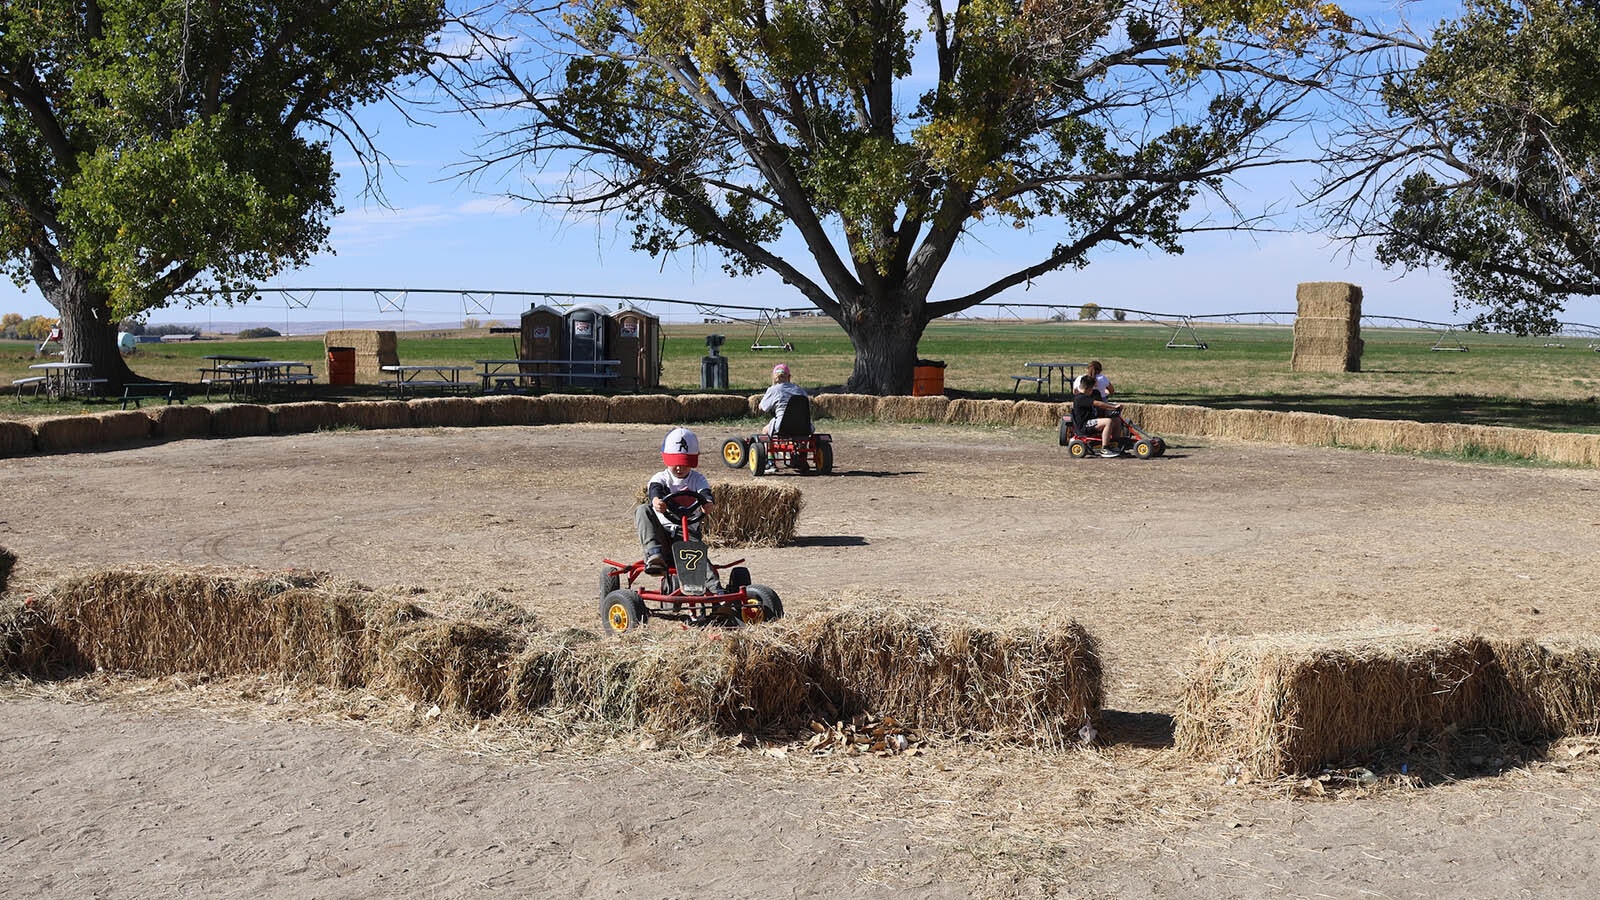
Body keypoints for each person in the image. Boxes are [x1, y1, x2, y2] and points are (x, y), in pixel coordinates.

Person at [635, 427, 716, 575]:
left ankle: (718, 591)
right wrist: (656, 501)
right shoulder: (661, 478)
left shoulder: (698, 479)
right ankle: (654, 555)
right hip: (662, 534)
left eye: (684, 463)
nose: (679, 467)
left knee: (699, 564)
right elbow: (655, 489)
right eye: (675, 462)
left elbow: (705, 493)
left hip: (687, 532)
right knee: (642, 510)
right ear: (665, 459)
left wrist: (707, 503)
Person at [1070, 373, 1123, 457]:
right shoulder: (1080, 398)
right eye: (1092, 388)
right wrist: (1113, 407)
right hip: (1084, 425)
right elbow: (1098, 404)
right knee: (1108, 422)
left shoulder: (1089, 395)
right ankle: (1105, 448)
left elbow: (1101, 403)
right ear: (1088, 389)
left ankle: (1115, 444)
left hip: (1091, 421)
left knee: (1116, 419)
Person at [758, 363, 808, 436]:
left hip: (782, 425)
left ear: (773, 377)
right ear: (789, 377)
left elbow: (762, 408)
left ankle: (767, 447)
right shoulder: (799, 390)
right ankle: (802, 446)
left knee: (765, 431)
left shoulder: (773, 390)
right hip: (804, 425)